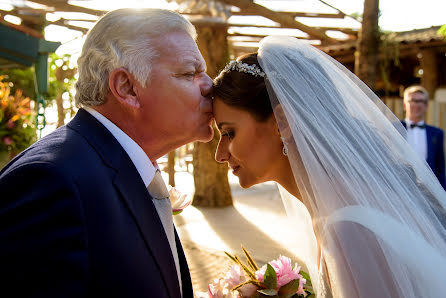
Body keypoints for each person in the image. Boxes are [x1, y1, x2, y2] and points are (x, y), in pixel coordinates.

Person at [0, 8, 213, 298]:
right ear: (127, 88)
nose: (210, 86)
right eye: (190, 73)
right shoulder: (52, 182)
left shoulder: (116, 165)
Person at [213, 36, 446, 298]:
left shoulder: (348, 228)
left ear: (283, 121)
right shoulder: (342, 204)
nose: (219, 155)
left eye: (229, 133)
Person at [401, 85, 445, 189]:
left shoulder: (437, 133)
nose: (416, 104)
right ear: (404, 104)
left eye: (421, 101)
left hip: (429, 190)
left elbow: (440, 168)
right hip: (401, 188)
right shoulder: (394, 128)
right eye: (412, 100)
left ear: (426, 106)